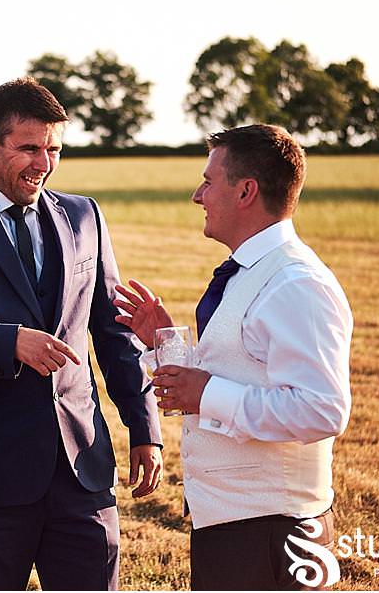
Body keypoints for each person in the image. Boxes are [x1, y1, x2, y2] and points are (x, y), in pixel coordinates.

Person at [0, 77, 163, 590]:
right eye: (29, 148)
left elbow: (113, 333)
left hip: (83, 472)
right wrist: (7, 341)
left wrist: (143, 428)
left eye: (54, 150)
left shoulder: (86, 215)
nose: (43, 163)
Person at [114, 124, 352, 590]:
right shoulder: (250, 271)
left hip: (274, 533)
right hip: (234, 525)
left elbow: (322, 409)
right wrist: (164, 340)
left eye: (208, 181)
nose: (197, 195)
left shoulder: (296, 283)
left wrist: (209, 395)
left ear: (246, 191)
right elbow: (233, 368)